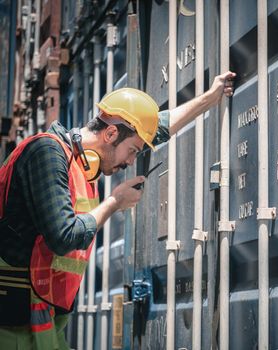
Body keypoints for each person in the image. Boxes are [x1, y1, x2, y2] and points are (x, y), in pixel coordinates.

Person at [0, 71, 236, 349]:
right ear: (110, 132)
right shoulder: (47, 153)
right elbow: (63, 236)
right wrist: (114, 202)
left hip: (42, 321)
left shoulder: (77, 162)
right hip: (14, 327)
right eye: (133, 151)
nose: (131, 161)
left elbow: (156, 127)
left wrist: (209, 98)